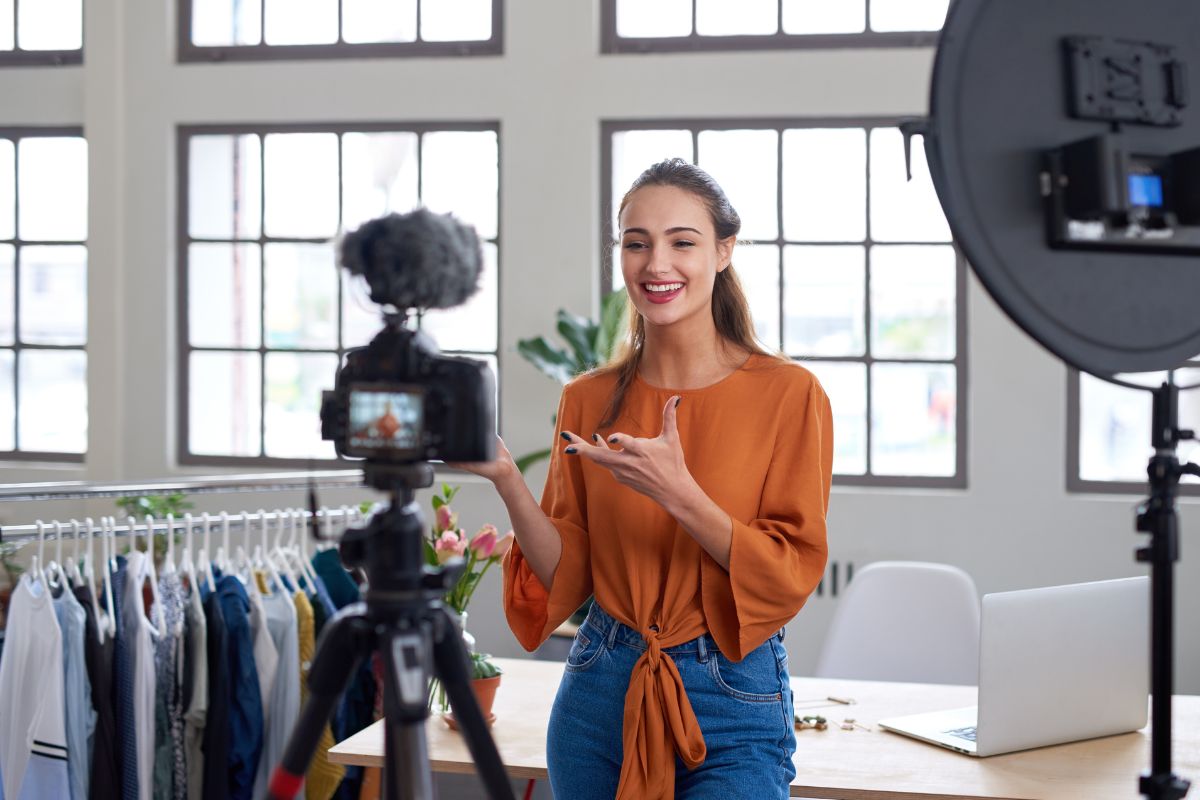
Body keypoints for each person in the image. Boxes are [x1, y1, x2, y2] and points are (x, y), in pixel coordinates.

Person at [454, 158, 833, 799]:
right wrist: (507, 479)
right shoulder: (587, 398)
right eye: (636, 243)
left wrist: (678, 494)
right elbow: (566, 577)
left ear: (723, 251)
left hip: (733, 693)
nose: (657, 264)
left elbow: (787, 569)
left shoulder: (790, 395)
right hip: (599, 687)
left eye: (682, 242)